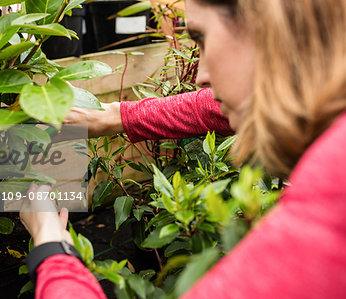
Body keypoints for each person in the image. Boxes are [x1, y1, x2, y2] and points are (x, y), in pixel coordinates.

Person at [20, 0, 346, 298]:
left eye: (202, 38)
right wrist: (113, 116)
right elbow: (211, 108)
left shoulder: (332, 192)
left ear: (269, 26)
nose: (201, 76)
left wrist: (50, 247)